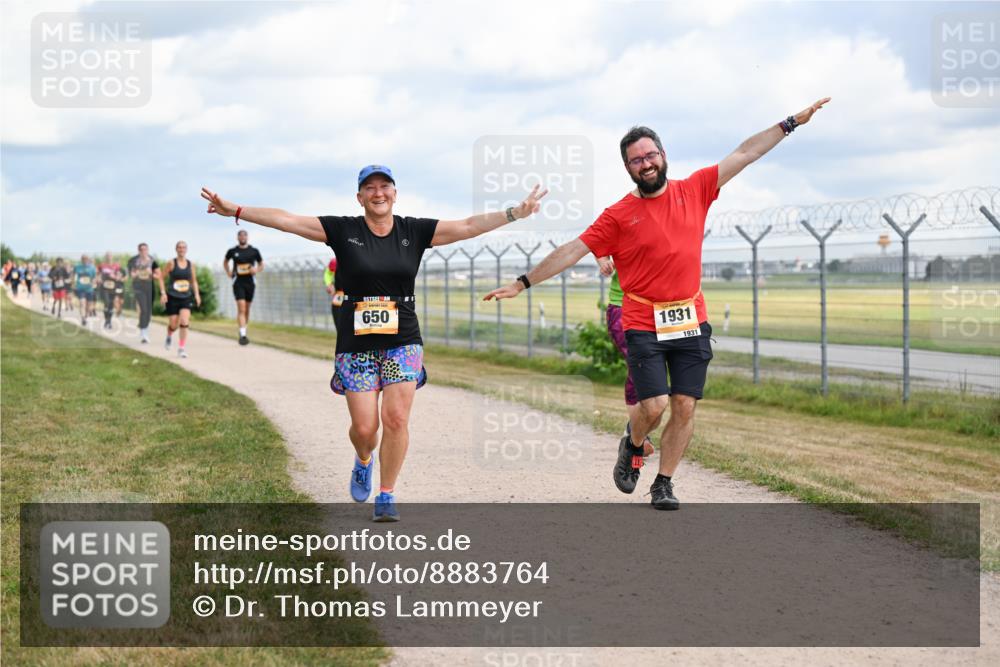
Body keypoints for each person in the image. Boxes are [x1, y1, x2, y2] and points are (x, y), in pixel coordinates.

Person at [485, 98, 830, 510]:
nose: (645, 164)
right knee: (654, 405)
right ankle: (631, 445)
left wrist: (792, 122)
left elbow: (746, 152)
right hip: (642, 319)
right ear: (628, 168)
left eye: (650, 155)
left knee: (684, 405)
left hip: (689, 316)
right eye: (636, 160)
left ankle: (663, 482)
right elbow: (573, 250)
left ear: (663, 156)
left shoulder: (697, 188)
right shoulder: (618, 215)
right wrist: (522, 283)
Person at [200, 165, 547, 522]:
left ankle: (387, 494)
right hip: (357, 344)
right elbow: (286, 220)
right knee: (365, 429)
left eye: (385, 186)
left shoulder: (414, 230)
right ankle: (363, 459)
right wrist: (237, 210)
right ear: (360, 197)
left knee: (395, 418)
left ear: (395, 193)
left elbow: (468, 226)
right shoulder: (342, 229)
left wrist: (514, 214)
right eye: (369, 188)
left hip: (403, 339)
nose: (378, 193)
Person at [598, 262, 654, 458]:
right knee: (638, 365)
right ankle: (635, 432)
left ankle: (635, 429)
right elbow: (597, 241)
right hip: (623, 307)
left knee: (654, 371)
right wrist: (603, 260)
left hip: (657, 309)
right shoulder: (624, 229)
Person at [158, 241, 201, 358]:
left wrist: (197, 294)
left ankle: (181, 348)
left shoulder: (190, 264)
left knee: (184, 322)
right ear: (176, 249)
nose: (181, 249)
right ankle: (169, 334)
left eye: (183, 247)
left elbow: (194, 281)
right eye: (179, 247)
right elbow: (161, 278)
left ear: (186, 249)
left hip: (186, 297)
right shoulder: (171, 263)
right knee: (173, 324)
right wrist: (163, 293)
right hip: (172, 297)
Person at [223, 229, 264, 345]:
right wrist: (228, 272)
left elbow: (261, 264)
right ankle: (243, 335)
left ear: (247, 237)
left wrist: (256, 269)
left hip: (250, 282)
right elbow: (225, 262)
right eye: (240, 236)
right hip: (238, 282)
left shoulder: (254, 251)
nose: (242, 238)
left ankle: (243, 329)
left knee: (247, 309)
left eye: (244, 236)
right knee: (241, 308)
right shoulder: (232, 251)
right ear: (237, 238)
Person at [128, 243, 160, 343]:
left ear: (148, 250)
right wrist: (137, 273)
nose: (143, 251)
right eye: (141, 249)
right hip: (138, 287)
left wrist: (151, 273)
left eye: (145, 249)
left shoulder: (153, 260)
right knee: (144, 309)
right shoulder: (133, 261)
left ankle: (144, 327)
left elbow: (158, 276)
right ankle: (144, 333)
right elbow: (132, 275)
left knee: (149, 311)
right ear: (138, 250)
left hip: (150, 287)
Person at [97, 252, 120, 330]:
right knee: (106, 303)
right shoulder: (102, 265)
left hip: (113, 287)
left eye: (110, 256)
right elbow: (98, 274)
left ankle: (109, 321)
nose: (109, 257)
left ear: (112, 257)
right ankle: (107, 320)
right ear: (105, 257)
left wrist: (114, 276)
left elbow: (118, 276)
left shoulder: (116, 266)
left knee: (111, 305)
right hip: (104, 287)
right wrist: (99, 278)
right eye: (107, 256)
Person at [73, 255, 97, 325]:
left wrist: (93, 282)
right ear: (81, 260)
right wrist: (73, 282)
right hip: (80, 288)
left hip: (89, 289)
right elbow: (73, 275)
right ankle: (83, 318)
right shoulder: (77, 267)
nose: (85, 260)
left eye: (86, 259)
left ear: (88, 260)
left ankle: (86, 316)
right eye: (83, 259)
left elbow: (95, 277)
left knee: (88, 306)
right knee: (82, 303)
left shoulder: (92, 268)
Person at [324, 256, 345, 321]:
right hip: (339, 294)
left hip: (355, 296)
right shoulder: (334, 261)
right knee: (338, 319)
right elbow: (328, 273)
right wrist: (329, 284)